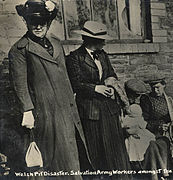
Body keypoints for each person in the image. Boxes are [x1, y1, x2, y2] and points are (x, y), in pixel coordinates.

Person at [9, 0, 89, 179]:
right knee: (54, 157)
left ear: (48, 23)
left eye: (42, 22)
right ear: (27, 23)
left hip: (67, 107)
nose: (38, 27)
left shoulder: (56, 42)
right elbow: (20, 84)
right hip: (45, 111)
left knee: (72, 153)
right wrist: (27, 110)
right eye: (33, 22)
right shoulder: (20, 50)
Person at [65, 21, 131, 177]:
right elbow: (75, 84)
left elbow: (111, 74)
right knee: (96, 152)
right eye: (101, 39)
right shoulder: (75, 58)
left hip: (109, 109)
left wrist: (110, 85)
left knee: (114, 151)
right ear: (90, 40)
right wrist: (96, 88)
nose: (104, 42)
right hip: (90, 111)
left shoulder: (103, 55)